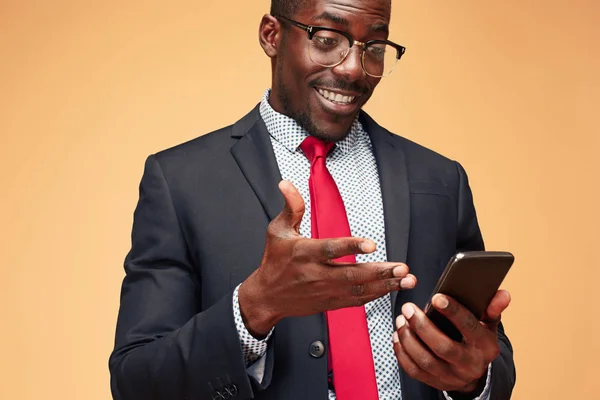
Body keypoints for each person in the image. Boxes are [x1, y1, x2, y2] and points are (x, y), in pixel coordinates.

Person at [109, 0, 516, 399]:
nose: (354, 69)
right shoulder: (181, 180)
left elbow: (491, 359)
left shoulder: (441, 179)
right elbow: (136, 381)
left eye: (374, 48)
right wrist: (254, 306)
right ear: (271, 35)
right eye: (326, 39)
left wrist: (472, 382)